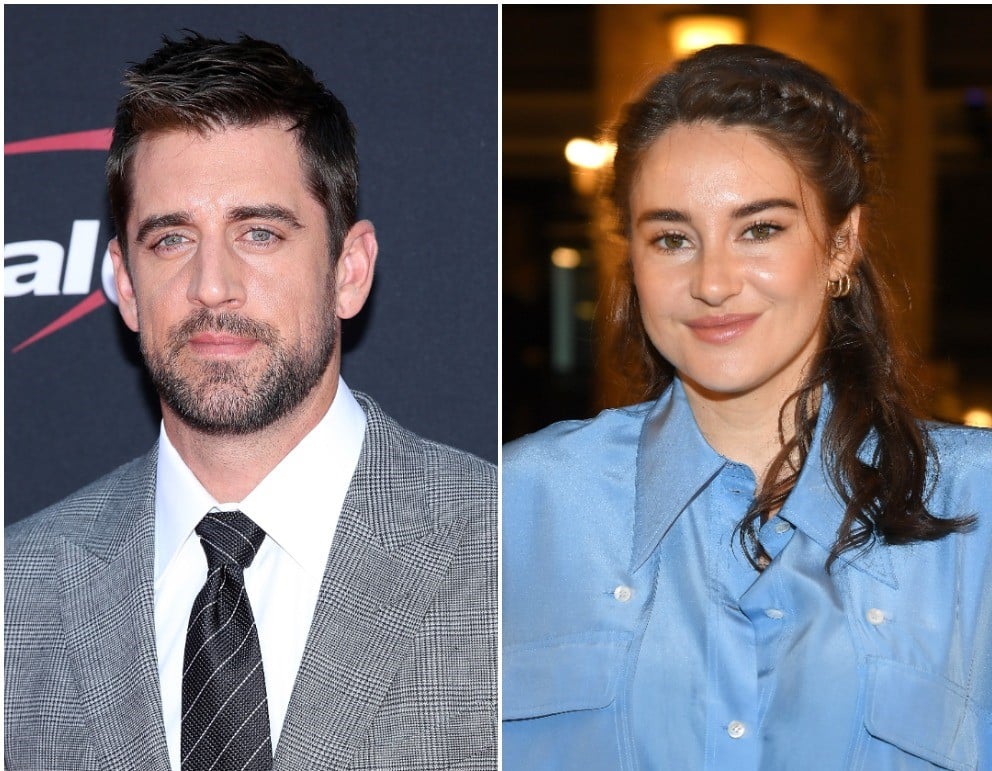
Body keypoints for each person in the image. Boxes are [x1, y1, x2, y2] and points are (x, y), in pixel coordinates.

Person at [5, 33, 496, 771]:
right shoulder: (18, 594)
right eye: (172, 240)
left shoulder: (503, 550)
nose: (212, 285)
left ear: (349, 270)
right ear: (126, 284)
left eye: (259, 233)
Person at [502, 44, 992, 770]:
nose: (713, 280)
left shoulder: (976, 501)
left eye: (759, 228)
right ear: (632, 263)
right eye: (672, 238)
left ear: (841, 245)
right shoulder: (518, 505)